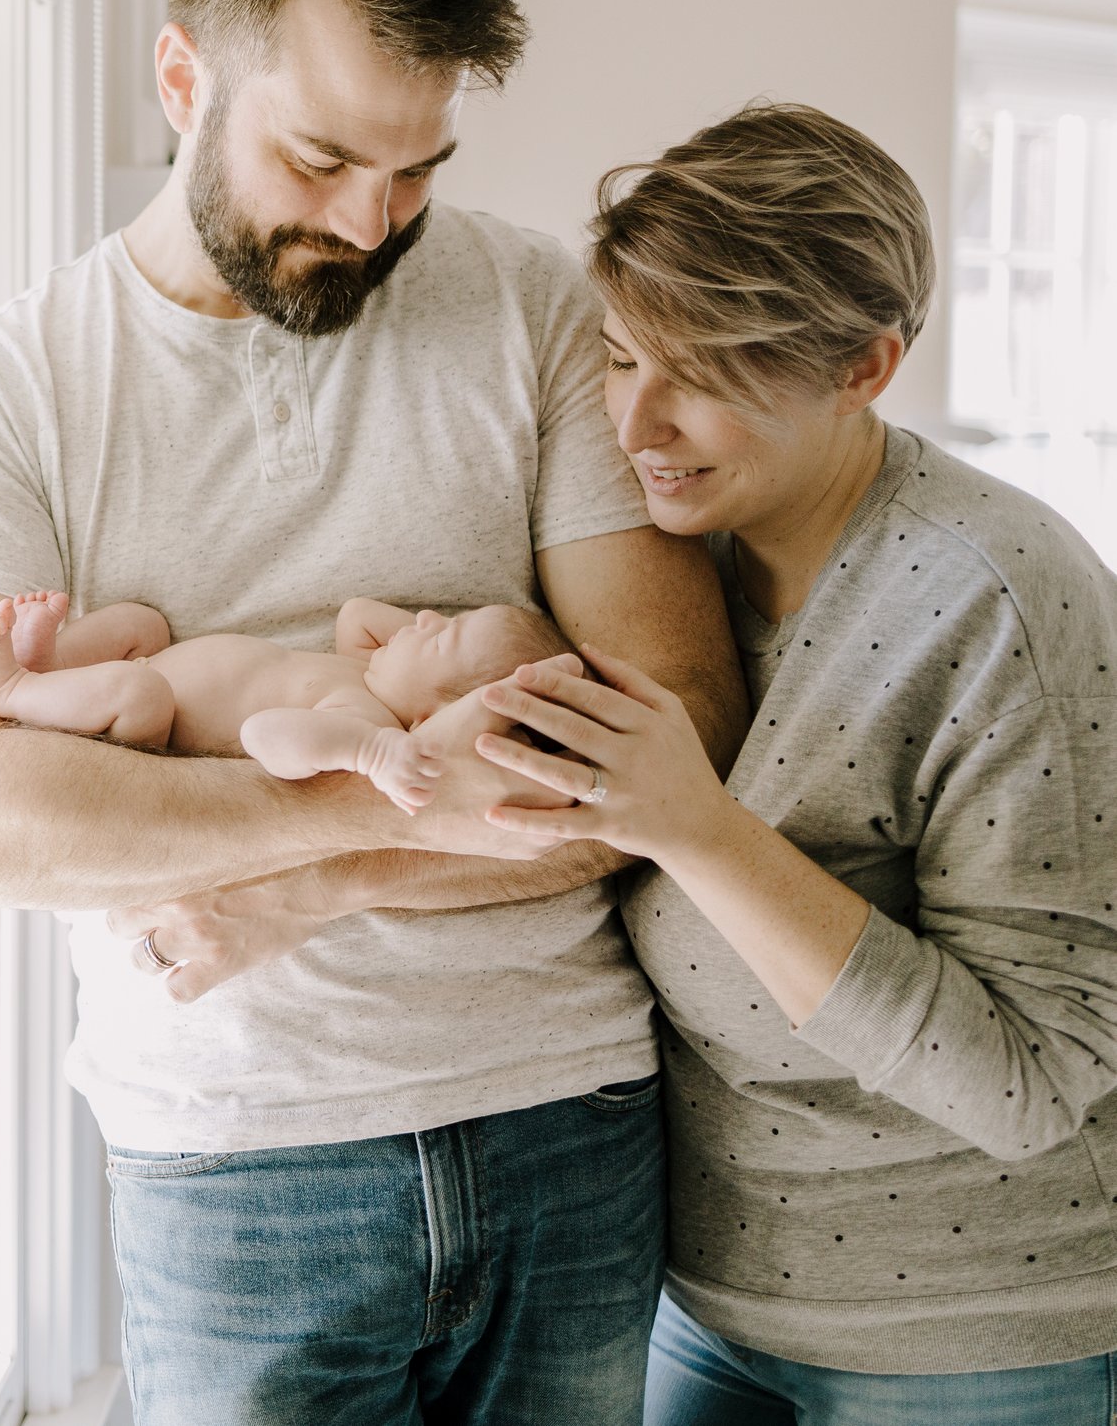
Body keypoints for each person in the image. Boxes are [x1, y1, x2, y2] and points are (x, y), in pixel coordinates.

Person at [0, 0, 747, 1424]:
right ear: (183, 78)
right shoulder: (12, 384)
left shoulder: (536, 308)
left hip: (567, 1112)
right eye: (319, 160)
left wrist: (304, 883)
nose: (377, 221)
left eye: (420, 168)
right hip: (234, 1157)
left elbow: (678, 720)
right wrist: (387, 798)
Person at [456, 104, 1117, 1420]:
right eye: (622, 354)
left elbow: (1036, 1075)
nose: (638, 419)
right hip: (703, 1304)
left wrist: (700, 829)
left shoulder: (996, 594)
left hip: (975, 1339)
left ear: (867, 366)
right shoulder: (660, 565)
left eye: (703, 372)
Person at [0, 590, 578, 815]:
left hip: (144, 724)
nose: (422, 617)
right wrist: (425, 654)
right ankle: (51, 669)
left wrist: (373, 750)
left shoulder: (363, 722)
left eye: (442, 634)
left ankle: (11, 688)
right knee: (139, 621)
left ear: (426, 718)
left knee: (138, 686)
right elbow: (357, 612)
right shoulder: (366, 668)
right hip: (141, 669)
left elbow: (264, 738)